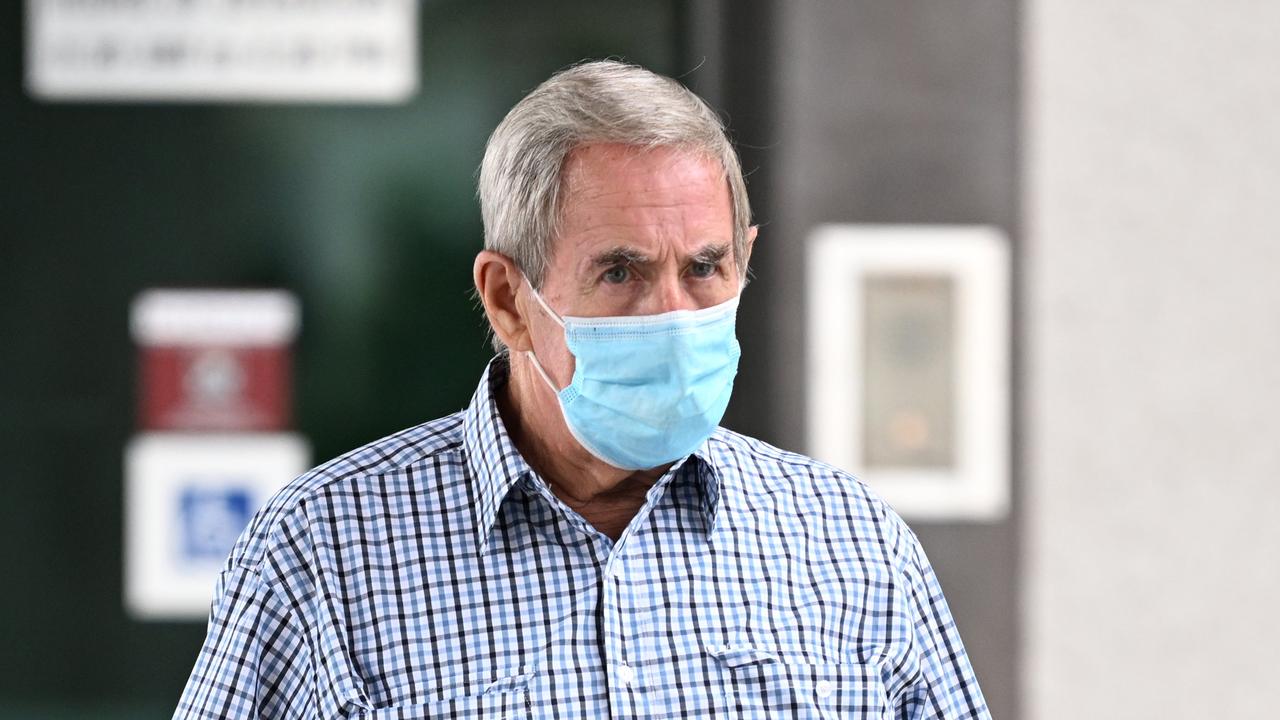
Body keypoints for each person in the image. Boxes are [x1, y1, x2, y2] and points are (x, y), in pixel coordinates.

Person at [174, 60, 990, 720]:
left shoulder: (852, 544)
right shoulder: (323, 554)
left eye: (705, 267)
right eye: (620, 272)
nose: (673, 313)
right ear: (506, 299)